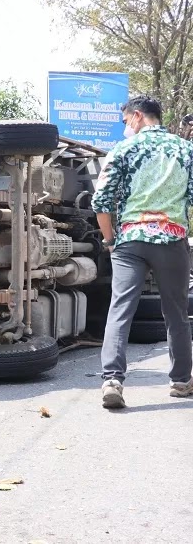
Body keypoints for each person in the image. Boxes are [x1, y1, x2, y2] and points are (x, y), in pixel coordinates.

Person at [91, 95, 193, 409]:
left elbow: (101, 202)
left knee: (120, 309)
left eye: (125, 122)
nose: (125, 128)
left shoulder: (123, 149)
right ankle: (181, 381)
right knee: (176, 312)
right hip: (172, 239)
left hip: (130, 240)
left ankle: (112, 380)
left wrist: (110, 241)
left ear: (137, 117)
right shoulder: (186, 149)